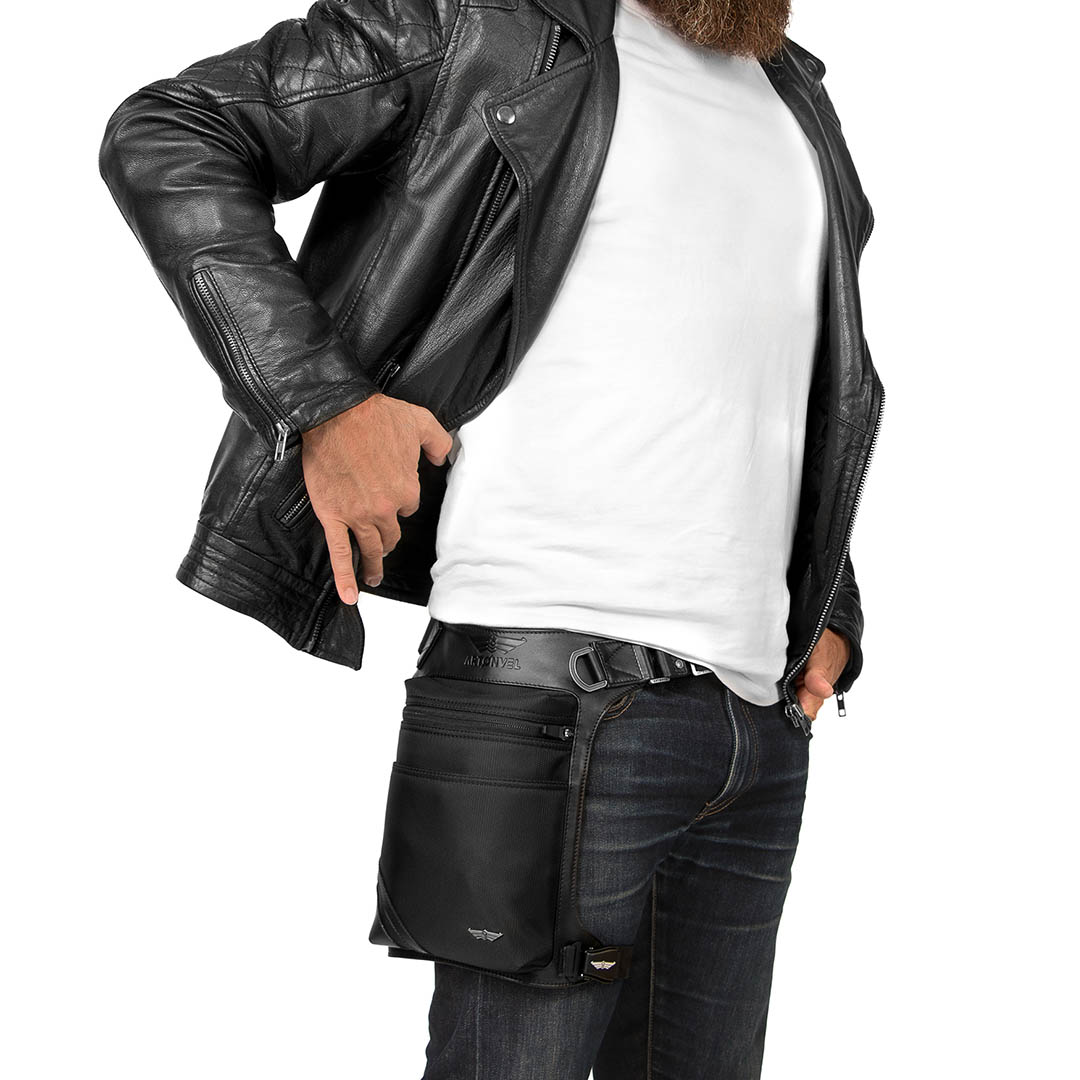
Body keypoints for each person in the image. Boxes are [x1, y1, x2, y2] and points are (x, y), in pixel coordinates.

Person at [99, 0, 883, 1075]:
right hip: (547, 706)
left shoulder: (795, 98)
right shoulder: (482, 23)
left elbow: (770, 375)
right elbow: (171, 129)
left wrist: (831, 598)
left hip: (755, 726)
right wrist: (322, 404)